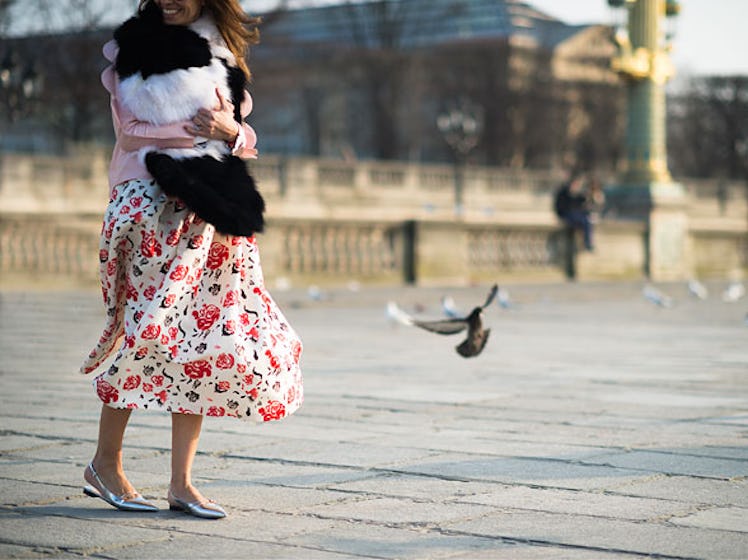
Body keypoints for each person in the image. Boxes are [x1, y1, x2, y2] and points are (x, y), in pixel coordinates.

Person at [80, 0, 303, 520]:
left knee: (204, 340)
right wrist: (203, 134)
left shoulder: (225, 58)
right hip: (151, 208)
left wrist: (231, 132)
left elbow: (242, 143)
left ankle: (181, 482)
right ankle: (104, 463)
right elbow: (134, 133)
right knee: (146, 331)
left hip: (214, 216)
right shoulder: (131, 52)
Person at [553, 172, 596, 251]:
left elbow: (584, 206)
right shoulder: (564, 193)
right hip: (567, 214)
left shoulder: (579, 194)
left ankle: (587, 244)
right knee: (584, 221)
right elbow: (561, 207)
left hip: (576, 215)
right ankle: (587, 244)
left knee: (586, 221)